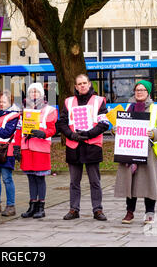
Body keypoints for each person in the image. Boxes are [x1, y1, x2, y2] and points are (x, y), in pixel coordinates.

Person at [113, 80, 157, 224]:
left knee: (149, 183)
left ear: (148, 92)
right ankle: (129, 212)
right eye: (137, 90)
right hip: (130, 152)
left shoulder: (156, 108)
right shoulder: (128, 107)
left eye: (142, 90)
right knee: (130, 182)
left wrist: (154, 133)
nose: (139, 92)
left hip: (148, 153)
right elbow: (118, 126)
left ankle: (150, 212)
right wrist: (115, 130)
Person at [58, 74, 109, 221]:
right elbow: (61, 123)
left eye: (84, 83)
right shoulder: (68, 102)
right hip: (73, 145)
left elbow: (104, 124)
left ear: (89, 84)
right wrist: (72, 135)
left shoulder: (99, 101)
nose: (82, 86)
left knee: (95, 181)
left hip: (92, 145)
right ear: (75, 86)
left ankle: (97, 209)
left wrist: (88, 134)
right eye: (79, 83)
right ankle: (74, 209)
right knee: (74, 181)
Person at [18, 82, 58, 219]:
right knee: (30, 178)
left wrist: (43, 133)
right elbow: (19, 129)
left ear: (42, 93)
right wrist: (18, 147)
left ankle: (41, 206)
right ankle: (32, 205)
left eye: (36, 91)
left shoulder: (50, 110)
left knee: (40, 178)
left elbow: (53, 129)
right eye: (31, 91)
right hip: (27, 147)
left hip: (41, 148)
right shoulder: (23, 109)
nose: (34, 94)